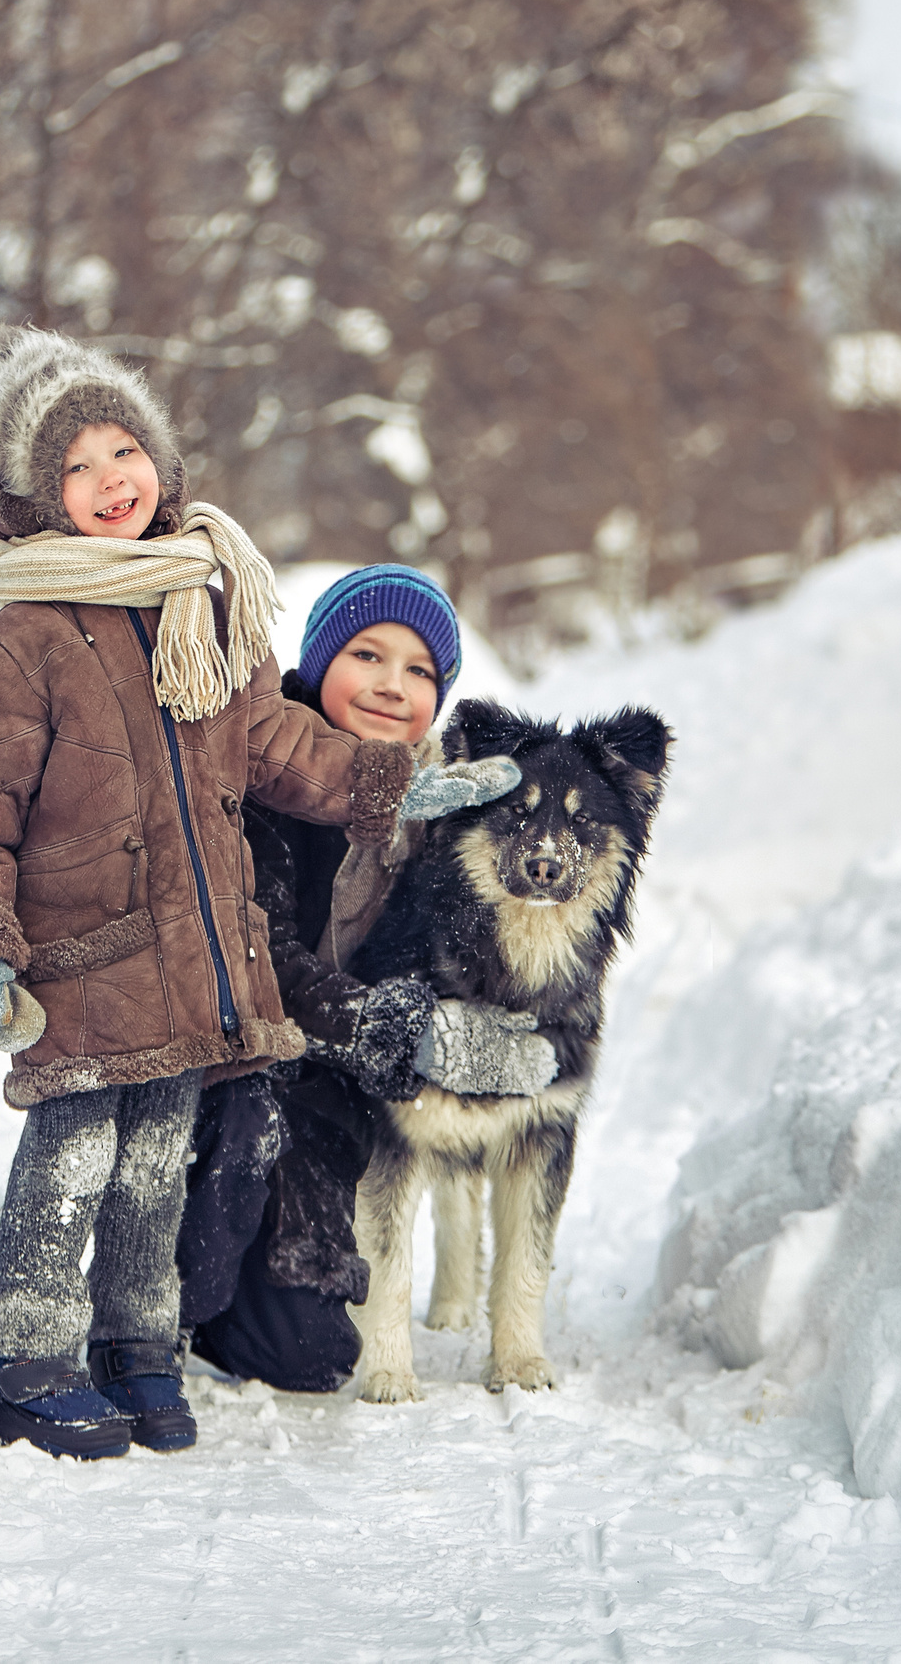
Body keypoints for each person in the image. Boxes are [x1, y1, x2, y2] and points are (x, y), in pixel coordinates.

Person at [0, 332, 518, 1460]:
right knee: (75, 1159)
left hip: (193, 964)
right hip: (84, 963)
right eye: (77, 465)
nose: (109, 480)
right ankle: (30, 1355)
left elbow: (284, 747)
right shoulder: (25, 638)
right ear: (41, 496)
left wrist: (405, 784)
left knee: (150, 1178)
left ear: (162, 465)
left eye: (124, 448)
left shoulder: (202, 617)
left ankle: (138, 1352)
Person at [176, 565, 561, 1393]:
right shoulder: (258, 778)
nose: (394, 686)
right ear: (318, 666)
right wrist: (399, 1031)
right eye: (368, 655)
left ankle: (239, 1291)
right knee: (216, 1230)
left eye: (420, 670)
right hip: (228, 1067)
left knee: (310, 1355)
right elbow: (259, 954)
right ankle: (156, 1288)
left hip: (335, 1093)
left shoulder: (441, 805)